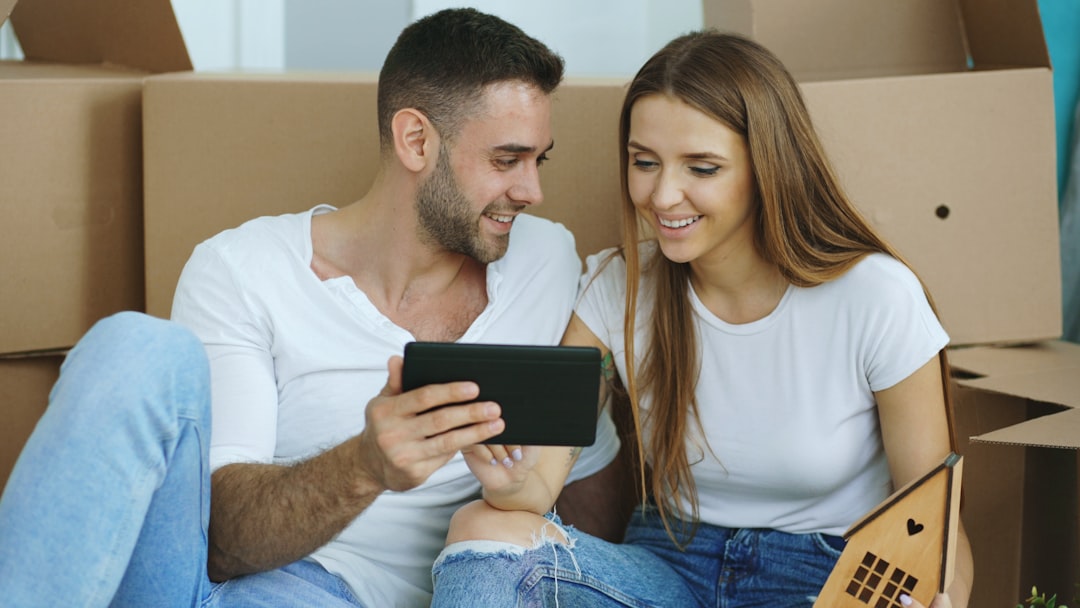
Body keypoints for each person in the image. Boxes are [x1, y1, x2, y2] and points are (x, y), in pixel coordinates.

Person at [0, 8, 622, 607]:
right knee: (137, 346)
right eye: (506, 160)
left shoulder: (546, 261)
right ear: (415, 141)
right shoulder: (243, 269)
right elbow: (219, 541)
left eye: (539, 159)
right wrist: (365, 465)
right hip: (226, 587)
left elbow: (585, 490)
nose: (533, 190)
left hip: (419, 588)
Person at [429, 30, 974, 608]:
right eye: (645, 162)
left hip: (822, 576)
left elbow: (935, 525)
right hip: (669, 569)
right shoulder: (618, 288)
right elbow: (539, 484)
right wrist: (514, 482)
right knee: (480, 528)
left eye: (703, 168)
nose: (664, 195)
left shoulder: (876, 297)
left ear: (767, 167)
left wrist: (948, 598)